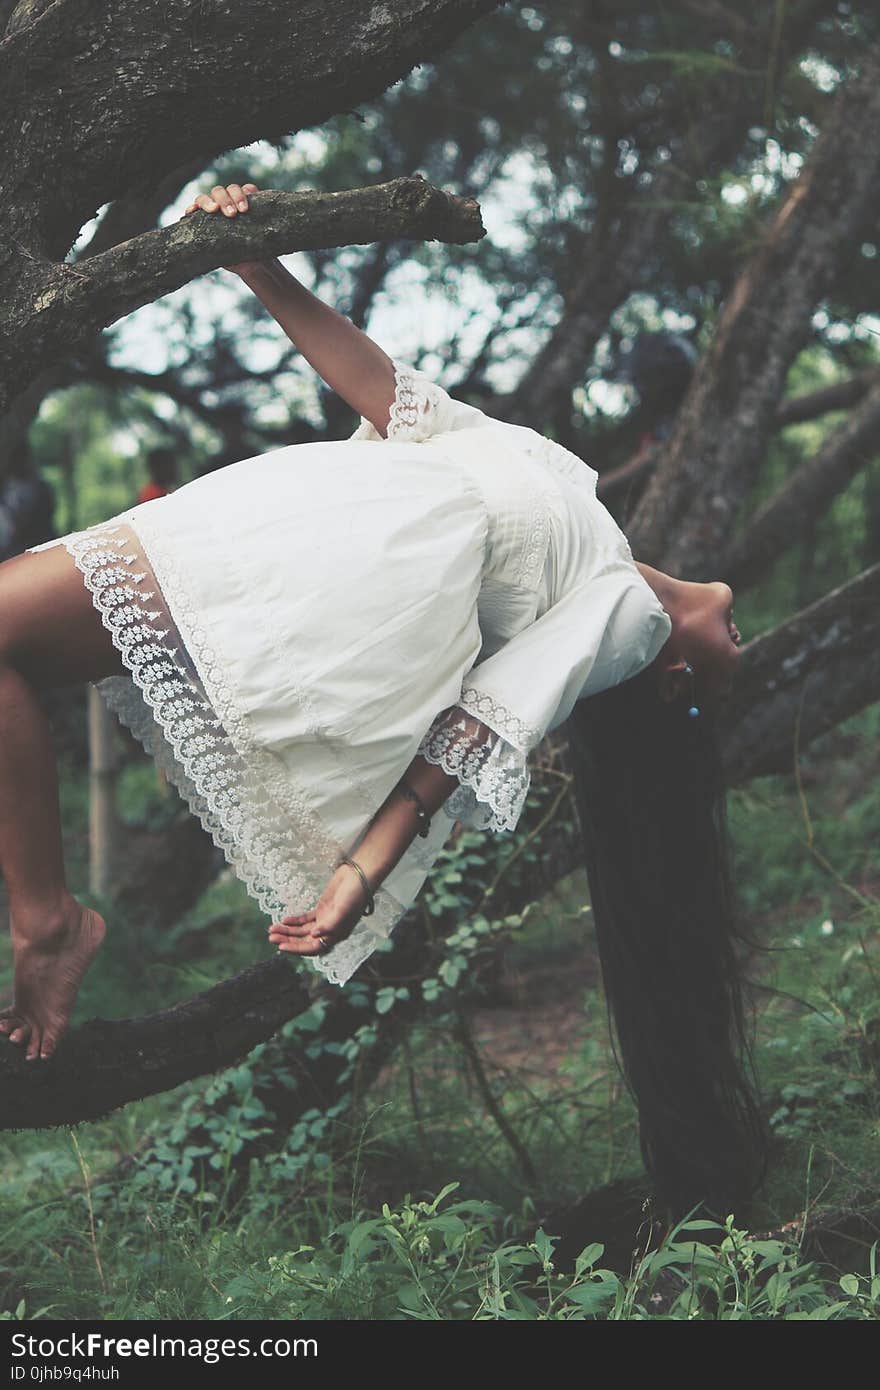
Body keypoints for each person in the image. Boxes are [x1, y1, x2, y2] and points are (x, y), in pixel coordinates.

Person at [0, 182, 762, 1220]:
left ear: (677, 676)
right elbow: (397, 398)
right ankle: (45, 914)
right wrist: (259, 263)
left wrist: (363, 867)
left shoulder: (625, 622)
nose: (742, 638)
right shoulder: (584, 503)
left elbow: (489, 715)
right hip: (281, 517)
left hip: (322, 580)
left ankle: (46, 919)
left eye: (730, 670)